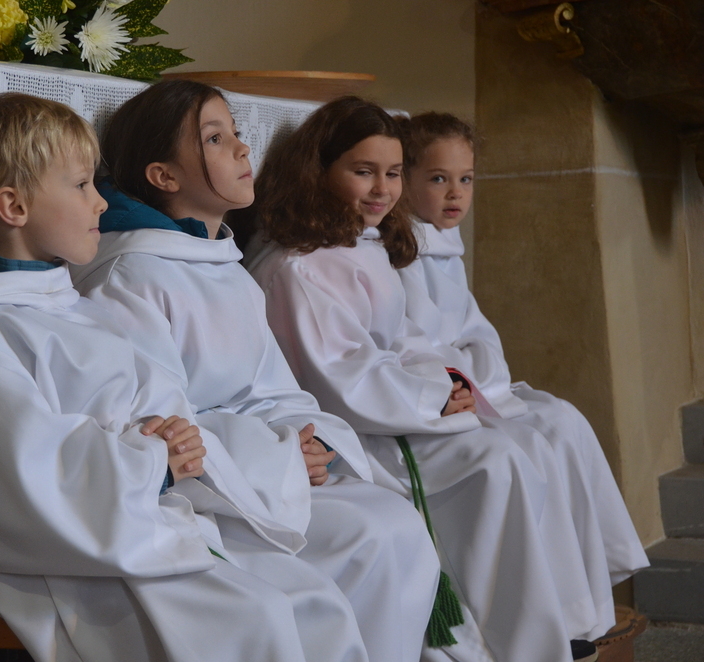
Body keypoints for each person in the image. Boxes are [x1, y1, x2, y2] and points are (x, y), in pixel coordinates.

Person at [0, 91, 371, 662]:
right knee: (258, 619)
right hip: (71, 564)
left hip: (149, 523)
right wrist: (156, 462)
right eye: (81, 186)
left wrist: (186, 444)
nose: (102, 202)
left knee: (316, 603)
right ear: (13, 207)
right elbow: (23, 475)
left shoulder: (66, 305)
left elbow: (164, 408)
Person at [71, 79, 489, 662]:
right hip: (212, 496)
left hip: (262, 472)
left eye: (236, 133)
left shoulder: (220, 264)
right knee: (374, 535)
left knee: (394, 523)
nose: (244, 149)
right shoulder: (131, 277)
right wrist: (283, 456)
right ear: (163, 176)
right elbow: (161, 427)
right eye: (215, 139)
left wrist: (309, 440)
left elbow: (274, 388)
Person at [244, 96, 605, 662]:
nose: (382, 190)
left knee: (517, 448)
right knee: (494, 461)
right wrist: (434, 397)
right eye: (363, 171)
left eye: (392, 174)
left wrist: (448, 383)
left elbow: (405, 339)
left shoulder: (360, 245)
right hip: (355, 431)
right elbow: (339, 375)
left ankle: (540, 629)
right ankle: (505, 643)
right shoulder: (298, 265)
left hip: (398, 407)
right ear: (318, 170)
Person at [396, 110, 648, 619]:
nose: (456, 194)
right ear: (405, 180)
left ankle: (588, 595)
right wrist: (466, 376)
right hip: (445, 396)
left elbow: (477, 332)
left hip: (480, 384)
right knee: (530, 445)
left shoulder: (445, 245)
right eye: (439, 179)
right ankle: (554, 611)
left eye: (466, 179)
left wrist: (484, 371)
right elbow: (412, 343)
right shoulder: (400, 250)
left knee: (564, 420)